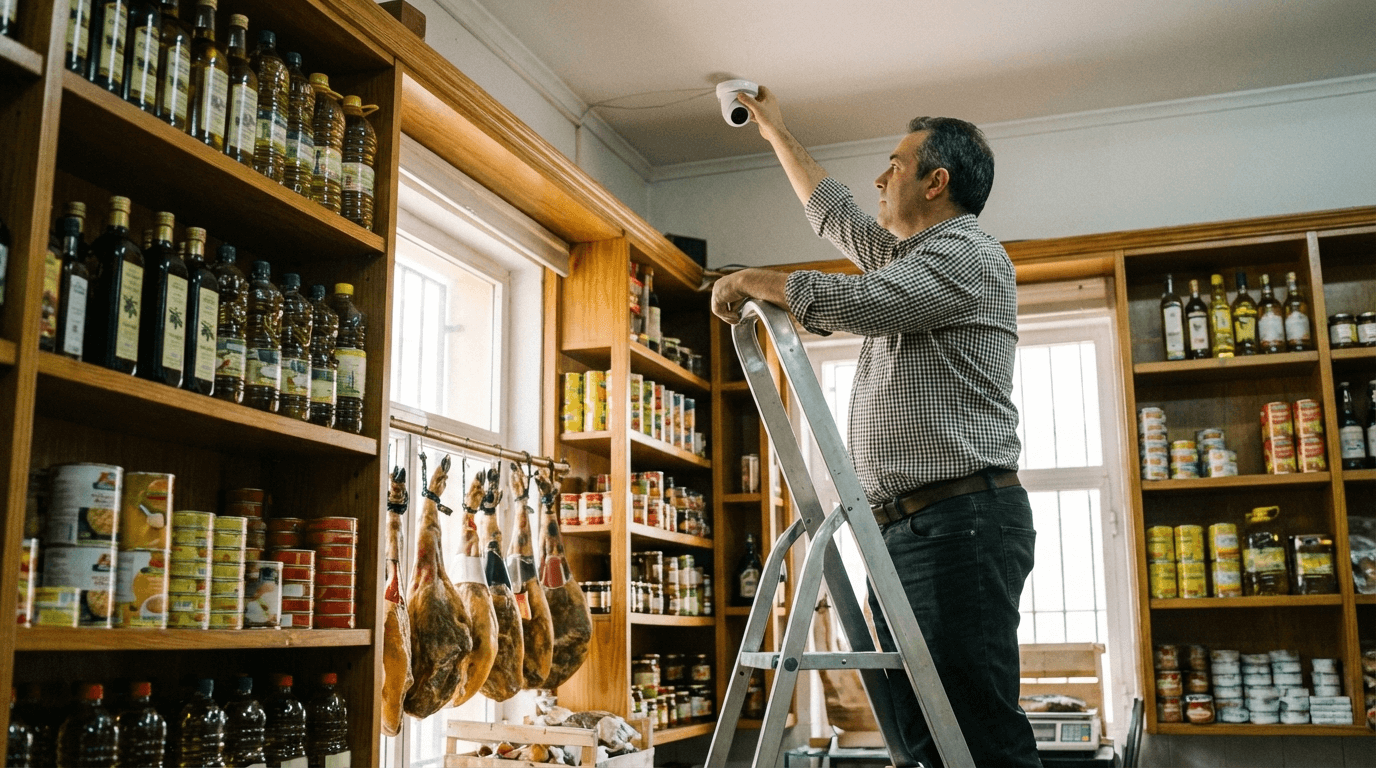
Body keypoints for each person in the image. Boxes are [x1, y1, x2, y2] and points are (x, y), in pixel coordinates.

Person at [711, 86, 1040, 768]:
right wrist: (775, 129)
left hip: (960, 524)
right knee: (919, 740)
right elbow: (834, 212)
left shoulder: (967, 255)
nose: (880, 178)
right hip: (909, 530)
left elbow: (857, 301)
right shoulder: (912, 259)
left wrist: (753, 278)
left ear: (936, 181)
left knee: (980, 739)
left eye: (894, 164)